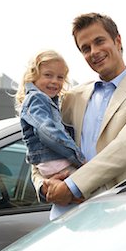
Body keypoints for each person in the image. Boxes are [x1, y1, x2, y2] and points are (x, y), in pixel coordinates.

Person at [32, 13, 126, 219]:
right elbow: (40, 147)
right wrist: (45, 187)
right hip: (67, 217)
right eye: (85, 48)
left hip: (121, 215)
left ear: (117, 40)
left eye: (99, 41)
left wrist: (72, 187)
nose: (94, 52)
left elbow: (124, 149)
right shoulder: (73, 96)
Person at [16, 50, 85, 181]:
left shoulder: (47, 100)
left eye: (60, 77)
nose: (55, 81)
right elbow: (48, 132)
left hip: (51, 164)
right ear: (33, 76)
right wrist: (78, 158)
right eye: (48, 75)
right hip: (56, 162)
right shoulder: (37, 98)